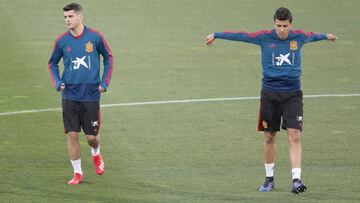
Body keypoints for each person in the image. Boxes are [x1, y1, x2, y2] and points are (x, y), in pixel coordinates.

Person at [205, 7, 337, 194]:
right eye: (278, 26)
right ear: (274, 24)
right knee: (269, 136)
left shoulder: (299, 37)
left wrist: (326, 36)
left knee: (295, 135)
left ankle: (297, 180)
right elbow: (243, 36)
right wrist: (216, 34)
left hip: (293, 94)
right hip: (270, 94)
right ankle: (269, 179)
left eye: (285, 26)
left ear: (291, 24)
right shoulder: (264, 37)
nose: (281, 30)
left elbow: (313, 35)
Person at [48, 3, 113, 185]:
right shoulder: (62, 41)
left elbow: (109, 58)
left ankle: (96, 152)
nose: (67, 20)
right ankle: (78, 173)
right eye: (65, 17)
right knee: (72, 135)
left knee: (91, 137)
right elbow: (52, 63)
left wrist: (104, 82)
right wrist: (58, 82)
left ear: (80, 17)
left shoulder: (95, 37)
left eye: (70, 16)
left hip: (91, 94)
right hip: (69, 94)